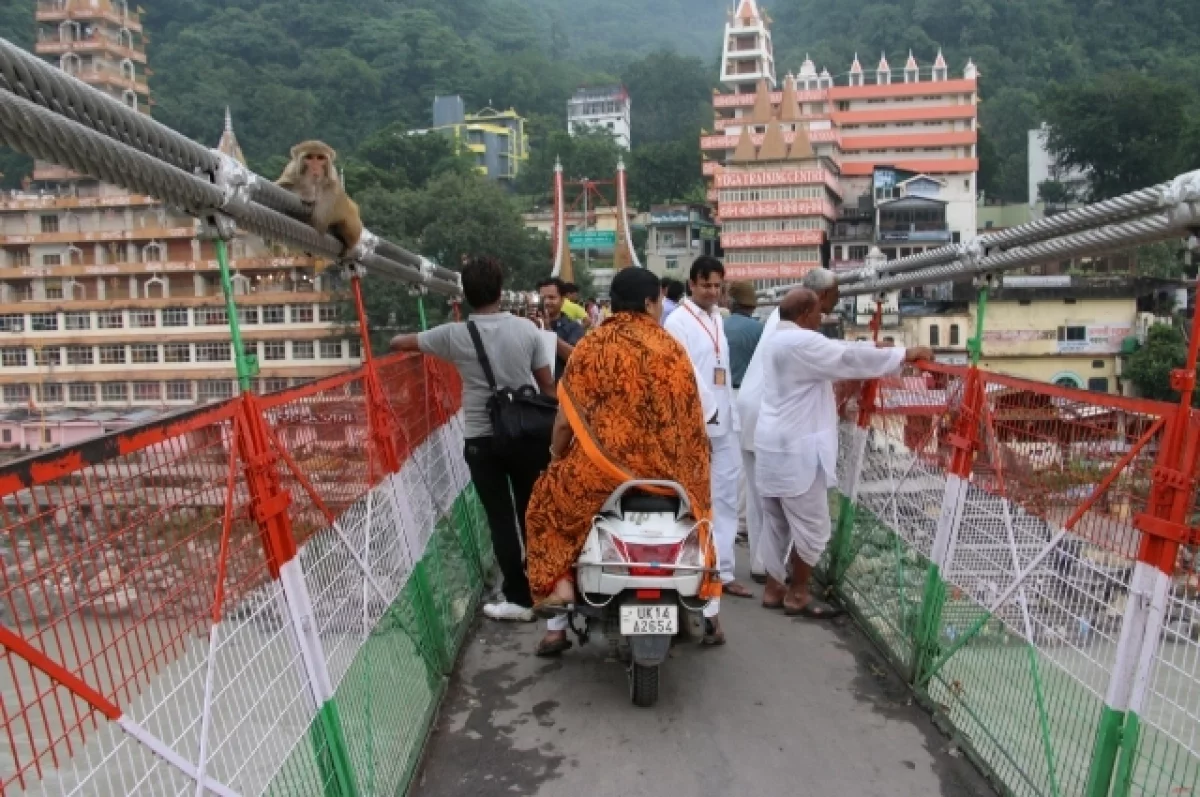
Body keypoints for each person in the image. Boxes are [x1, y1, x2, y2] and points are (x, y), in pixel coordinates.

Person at [525, 267, 724, 654]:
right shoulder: (672, 350)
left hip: (604, 476)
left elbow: (565, 422)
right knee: (703, 516)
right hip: (673, 476)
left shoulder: (591, 347)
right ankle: (709, 611)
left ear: (613, 304)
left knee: (545, 504)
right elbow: (700, 415)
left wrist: (553, 459)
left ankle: (558, 616)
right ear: (651, 303)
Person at [390, 257, 554, 623]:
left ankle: (518, 597)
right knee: (533, 513)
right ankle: (546, 589)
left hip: (482, 439)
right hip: (527, 436)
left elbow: (400, 342)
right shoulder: (527, 330)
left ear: (463, 294)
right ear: (501, 289)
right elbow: (547, 385)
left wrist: (400, 338)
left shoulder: (454, 335)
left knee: (500, 518)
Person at [754, 288, 932, 617]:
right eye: (820, 311)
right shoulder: (801, 343)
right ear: (807, 313)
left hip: (772, 443)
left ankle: (772, 588)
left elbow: (840, 350)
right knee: (813, 527)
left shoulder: (776, 340)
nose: (823, 318)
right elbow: (848, 358)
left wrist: (876, 348)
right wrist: (905, 355)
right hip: (797, 448)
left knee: (775, 521)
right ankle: (798, 594)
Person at [664, 256, 753, 599]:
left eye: (718, 286)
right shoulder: (678, 322)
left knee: (727, 497)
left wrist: (725, 416)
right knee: (694, 499)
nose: (712, 292)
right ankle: (695, 569)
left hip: (725, 422)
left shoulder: (718, 319)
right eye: (706, 285)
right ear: (691, 284)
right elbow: (685, 376)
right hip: (698, 425)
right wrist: (706, 418)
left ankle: (723, 570)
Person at [724, 281, 765, 571]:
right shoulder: (759, 331)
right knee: (747, 465)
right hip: (752, 399)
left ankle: (732, 519)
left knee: (729, 461)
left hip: (724, 396)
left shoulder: (720, 327)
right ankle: (743, 521)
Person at [537, 277, 586, 381]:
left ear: (562, 300)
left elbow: (576, 357)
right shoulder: (531, 325)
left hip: (561, 390)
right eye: (543, 298)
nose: (546, 302)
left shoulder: (573, 327)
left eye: (551, 298)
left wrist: (549, 332)